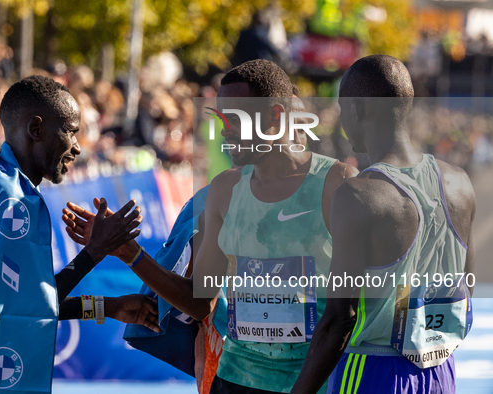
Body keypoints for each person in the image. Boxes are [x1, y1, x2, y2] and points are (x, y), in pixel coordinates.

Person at [63, 59, 358, 393]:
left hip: (314, 383)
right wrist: (129, 253)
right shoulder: (224, 190)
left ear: (276, 117)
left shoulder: (338, 184)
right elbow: (201, 302)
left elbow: (351, 311)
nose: (223, 132)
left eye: (233, 119)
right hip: (234, 380)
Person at [0, 75, 158, 394]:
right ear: (36, 129)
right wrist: (97, 249)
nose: (78, 147)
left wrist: (107, 306)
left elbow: (15, 308)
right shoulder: (12, 203)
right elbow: (29, 306)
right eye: (70, 131)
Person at [291, 55, 476, 394]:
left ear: (357, 109)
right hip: (440, 369)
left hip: (373, 371)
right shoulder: (459, 182)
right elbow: (465, 289)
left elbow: (338, 320)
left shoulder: (359, 195)